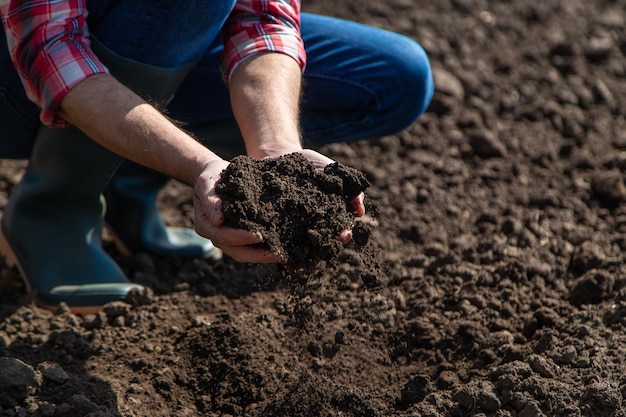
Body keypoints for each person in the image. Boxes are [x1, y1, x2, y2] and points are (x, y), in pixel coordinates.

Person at [0, 0, 434, 314]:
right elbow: (51, 46)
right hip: (19, 72)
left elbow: (262, 20)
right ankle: (54, 209)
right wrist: (200, 166)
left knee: (395, 77)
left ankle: (125, 182)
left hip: (131, 43)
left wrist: (279, 155)